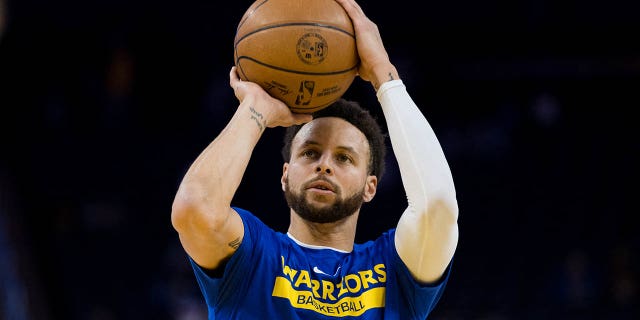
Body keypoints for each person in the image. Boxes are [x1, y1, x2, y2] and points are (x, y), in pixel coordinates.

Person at [171, 0, 459, 318]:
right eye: (310, 153)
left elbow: (438, 207)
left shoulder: (393, 269)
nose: (324, 165)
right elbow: (194, 208)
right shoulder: (253, 257)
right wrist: (255, 109)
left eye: (345, 158)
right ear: (285, 175)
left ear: (370, 186)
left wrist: (383, 75)